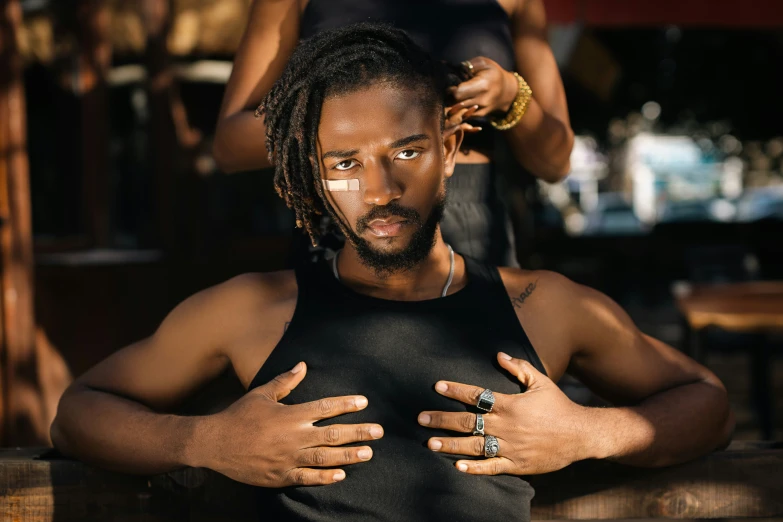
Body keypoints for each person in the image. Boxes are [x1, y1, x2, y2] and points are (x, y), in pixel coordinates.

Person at [51, 25, 733, 522]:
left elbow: (706, 402)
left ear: (449, 148)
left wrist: (585, 434)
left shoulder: (542, 306)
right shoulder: (252, 310)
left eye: (405, 150)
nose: (378, 189)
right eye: (343, 164)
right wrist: (202, 441)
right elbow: (79, 412)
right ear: (310, 177)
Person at [213, 0, 574, 266]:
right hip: (346, 203)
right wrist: (350, 118)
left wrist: (511, 96)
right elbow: (230, 144)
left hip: (467, 211)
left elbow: (556, 161)